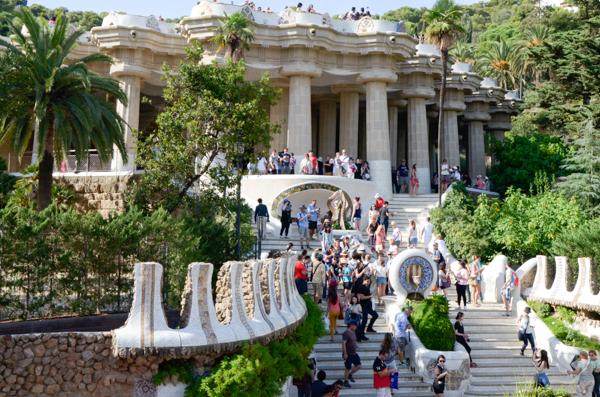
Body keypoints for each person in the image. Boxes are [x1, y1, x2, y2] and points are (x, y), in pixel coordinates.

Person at [342, 320, 362, 388]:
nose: (356, 327)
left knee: (359, 365)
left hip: (354, 353)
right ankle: (346, 381)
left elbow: (354, 340)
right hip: (348, 353)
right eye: (355, 326)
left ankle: (350, 374)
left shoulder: (353, 332)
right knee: (348, 367)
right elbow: (343, 343)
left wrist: (355, 344)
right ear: (351, 325)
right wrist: (345, 353)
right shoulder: (346, 333)